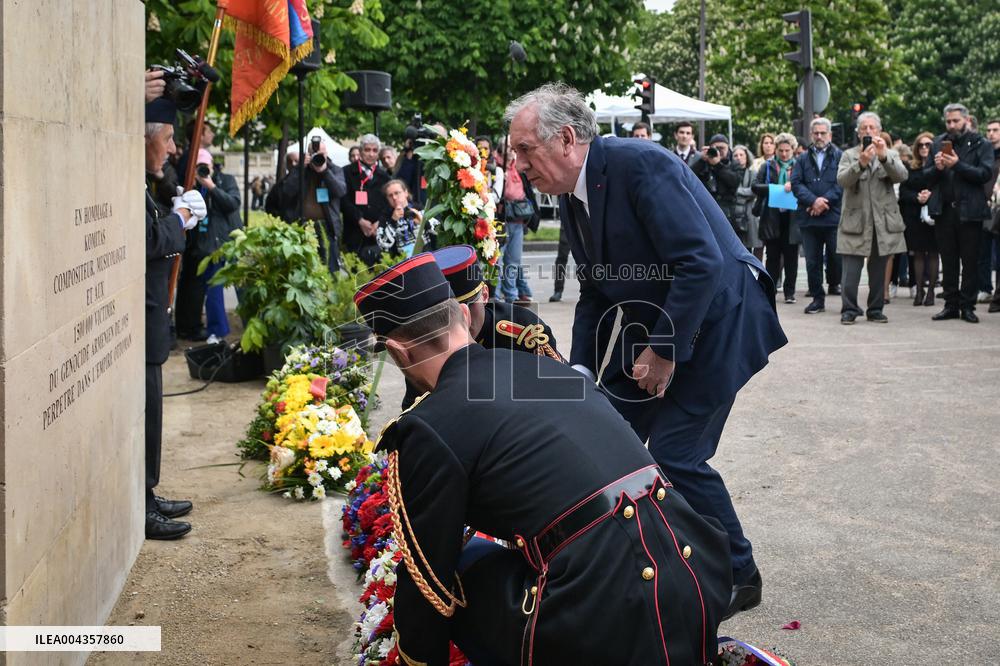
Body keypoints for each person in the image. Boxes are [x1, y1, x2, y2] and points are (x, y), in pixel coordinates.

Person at [353, 253, 733, 665]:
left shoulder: (427, 426)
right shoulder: (550, 370)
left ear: (398, 352)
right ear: (463, 314)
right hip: (693, 581)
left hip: (606, 618)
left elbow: (426, 584)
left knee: (459, 570)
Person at [506, 83, 787, 619]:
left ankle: (738, 573)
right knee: (606, 431)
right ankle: (621, 560)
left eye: (524, 150)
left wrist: (663, 352)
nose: (517, 165)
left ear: (566, 139)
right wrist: (583, 371)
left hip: (722, 316)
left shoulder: (640, 165)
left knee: (678, 454)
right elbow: (593, 291)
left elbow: (700, 263)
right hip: (662, 323)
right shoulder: (572, 196)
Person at [144, 97, 205, 540]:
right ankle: (143, 503)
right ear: (145, 140)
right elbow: (149, 239)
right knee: (145, 415)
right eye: (166, 139)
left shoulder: (150, 182)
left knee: (152, 415)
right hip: (143, 315)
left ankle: (148, 494)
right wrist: (180, 219)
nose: (171, 148)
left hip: (150, 319)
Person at [400, 244, 561, 408]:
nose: (464, 318)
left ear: (485, 294)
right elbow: (416, 411)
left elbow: (559, 391)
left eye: (468, 304)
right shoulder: (427, 347)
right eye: (450, 313)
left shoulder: (524, 332)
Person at [923, 103, 995, 323]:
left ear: (966, 120)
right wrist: (937, 168)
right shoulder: (938, 143)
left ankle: (968, 306)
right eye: (948, 121)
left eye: (956, 121)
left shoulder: (981, 143)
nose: (952, 125)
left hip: (970, 211)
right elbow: (925, 177)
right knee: (949, 261)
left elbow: (984, 173)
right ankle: (950, 305)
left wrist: (957, 164)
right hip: (944, 211)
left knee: (970, 261)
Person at [835, 112, 908, 325]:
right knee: (850, 272)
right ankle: (849, 309)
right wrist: (861, 163)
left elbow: (902, 176)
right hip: (856, 221)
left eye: (872, 128)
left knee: (878, 270)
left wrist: (883, 157)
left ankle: (875, 309)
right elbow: (842, 180)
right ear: (858, 132)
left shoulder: (890, 153)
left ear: (879, 130)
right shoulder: (849, 154)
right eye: (864, 128)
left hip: (881, 222)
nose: (868, 131)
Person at [174, 149, 242, 344]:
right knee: (210, 290)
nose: (203, 170)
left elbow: (233, 203)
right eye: (199, 167)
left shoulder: (225, 180)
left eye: (206, 166)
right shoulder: (192, 186)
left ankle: (239, 327)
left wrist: (211, 186)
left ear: (212, 166)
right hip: (205, 247)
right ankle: (216, 330)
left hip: (227, 242)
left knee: (234, 287)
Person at [265, 139, 348, 273]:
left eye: (321, 153)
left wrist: (325, 171)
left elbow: (340, 191)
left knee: (330, 271)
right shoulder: (301, 170)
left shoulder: (335, 169)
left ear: (326, 153)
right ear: (308, 154)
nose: (318, 156)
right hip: (302, 227)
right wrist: (299, 169)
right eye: (314, 153)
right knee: (306, 270)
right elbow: (285, 193)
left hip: (328, 227)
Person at [791, 117, 844, 314]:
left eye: (823, 133)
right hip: (809, 217)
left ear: (829, 135)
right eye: (816, 133)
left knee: (836, 257)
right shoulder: (802, 158)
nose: (819, 136)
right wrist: (813, 201)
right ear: (811, 135)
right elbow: (796, 183)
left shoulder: (839, 156)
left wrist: (824, 202)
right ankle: (817, 298)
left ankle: (836, 287)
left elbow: (842, 183)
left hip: (832, 217)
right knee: (812, 261)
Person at [753, 133, 801, 304]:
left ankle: (790, 292)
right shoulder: (767, 166)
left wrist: (793, 186)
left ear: (793, 150)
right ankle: (770, 289)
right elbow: (755, 186)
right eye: (781, 150)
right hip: (772, 216)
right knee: (772, 256)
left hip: (793, 217)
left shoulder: (798, 166)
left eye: (787, 150)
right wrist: (775, 189)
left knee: (791, 257)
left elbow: (805, 186)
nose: (784, 154)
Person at [496, 141, 540, 303]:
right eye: (509, 149)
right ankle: (498, 295)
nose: (512, 153)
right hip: (502, 220)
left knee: (514, 261)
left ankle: (512, 295)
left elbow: (526, 190)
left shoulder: (517, 168)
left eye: (513, 150)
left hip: (518, 220)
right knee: (499, 261)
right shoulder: (497, 169)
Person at [900, 133, 937, 307]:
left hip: (935, 216)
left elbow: (947, 188)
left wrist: (931, 195)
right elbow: (903, 192)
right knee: (918, 253)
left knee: (934, 253)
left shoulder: (940, 166)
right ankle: (919, 290)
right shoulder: (910, 167)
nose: (924, 148)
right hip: (914, 216)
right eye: (921, 145)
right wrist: (917, 197)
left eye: (928, 145)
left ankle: (931, 292)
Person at [342, 134, 392, 266]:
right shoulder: (346, 172)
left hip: (378, 233)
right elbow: (343, 200)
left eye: (375, 150)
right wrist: (359, 220)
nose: (371, 154)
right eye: (367, 150)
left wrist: (379, 222)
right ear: (360, 150)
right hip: (354, 231)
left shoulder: (384, 176)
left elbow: (389, 204)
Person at [692, 134, 741, 237]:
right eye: (716, 148)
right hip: (707, 208)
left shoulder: (734, 163)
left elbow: (734, 182)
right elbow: (690, 176)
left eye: (722, 148)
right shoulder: (704, 162)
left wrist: (717, 165)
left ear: (728, 148)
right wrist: (702, 160)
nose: (719, 151)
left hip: (727, 211)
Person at [376, 179, 425, 257]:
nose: (394, 197)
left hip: (426, 255)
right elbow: (383, 245)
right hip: (402, 261)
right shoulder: (385, 217)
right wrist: (393, 222)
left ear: (406, 193)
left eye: (397, 193)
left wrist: (423, 223)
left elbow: (436, 231)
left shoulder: (419, 208)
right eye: (390, 195)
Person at [733, 145, 763, 259]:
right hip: (734, 215)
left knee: (751, 247)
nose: (738, 158)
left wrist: (736, 191)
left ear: (747, 157)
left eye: (741, 155)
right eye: (735, 155)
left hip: (750, 215)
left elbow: (753, 191)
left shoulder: (753, 173)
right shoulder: (729, 173)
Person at [985, 119, 1000, 313]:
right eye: (989, 130)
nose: (991, 133)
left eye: (995, 130)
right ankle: (996, 296)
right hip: (993, 210)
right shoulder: (987, 154)